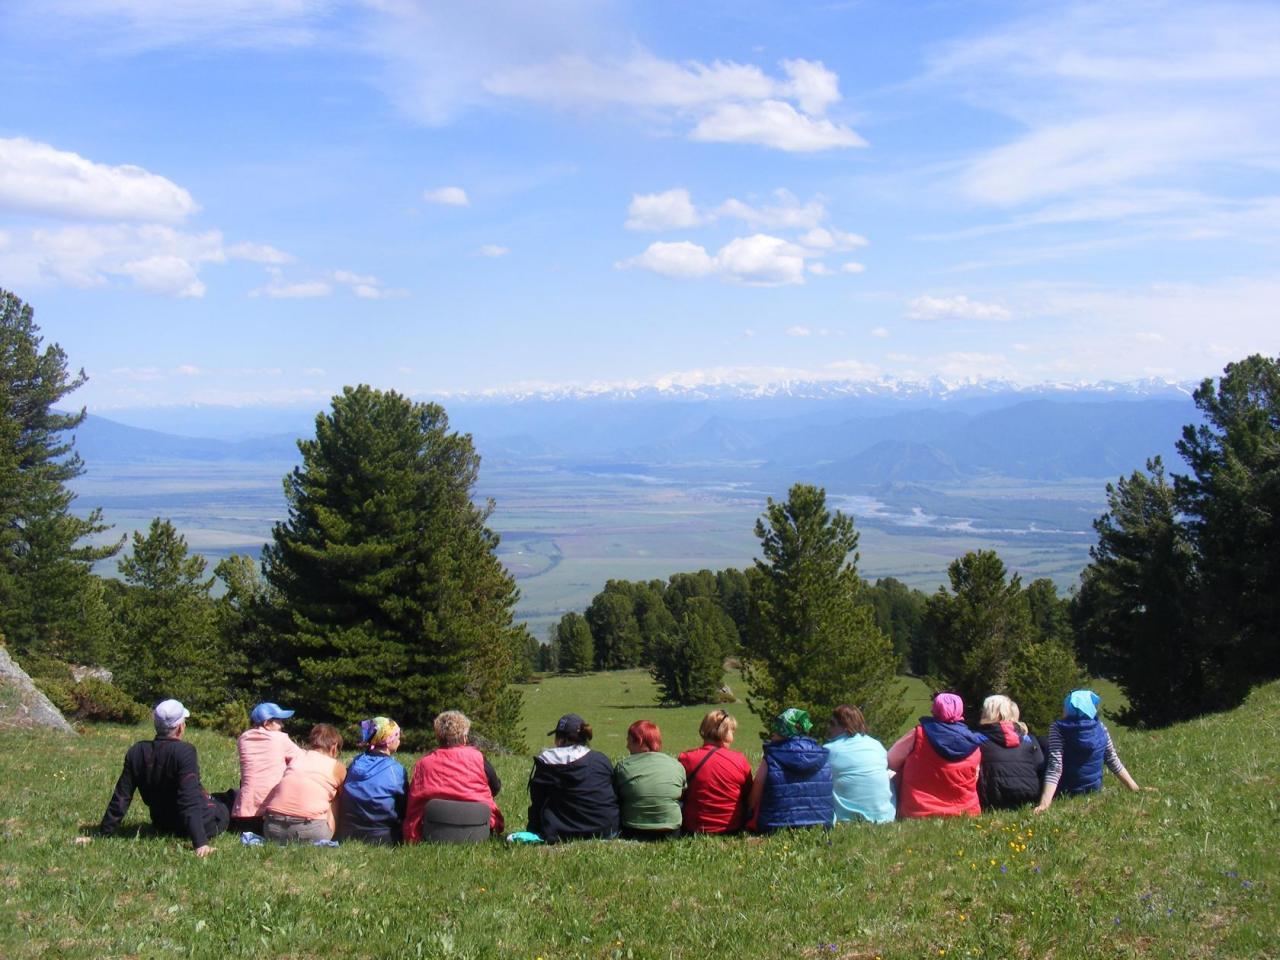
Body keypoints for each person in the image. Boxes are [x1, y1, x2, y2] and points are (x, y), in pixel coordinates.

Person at [99, 699, 230, 857]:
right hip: (201, 824)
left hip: (162, 823)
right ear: (180, 727)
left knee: (217, 797)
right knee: (231, 800)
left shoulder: (137, 751)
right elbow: (188, 799)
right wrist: (200, 843)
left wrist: (103, 832)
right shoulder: (184, 752)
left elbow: (122, 796)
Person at [1034, 689, 1142, 813]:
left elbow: (1055, 766)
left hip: (1066, 790)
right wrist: (1133, 787)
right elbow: (1112, 759)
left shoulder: (1058, 729)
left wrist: (1045, 803)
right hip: (1093, 789)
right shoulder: (1100, 727)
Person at [403, 710, 503, 843]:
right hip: (479, 830)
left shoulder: (423, 764)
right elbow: (495, 787)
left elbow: (414, 799)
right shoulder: (478, 758)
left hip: (433, 832)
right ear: (464, 737)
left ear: (438, 737)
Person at [889, 693, 986, 818]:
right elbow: (975, 777)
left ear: (934, 709)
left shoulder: (918, 734)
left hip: (918, 811)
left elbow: (891, 761)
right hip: (965, 812)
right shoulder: (973, 741)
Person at [526, 713, 619, 843]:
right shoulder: (601, 760)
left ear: (561, 740)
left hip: (562, 833)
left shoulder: (547, 762)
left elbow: (538, 802)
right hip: (606, 830)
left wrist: (533, 829)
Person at [747, 708, 832, 832]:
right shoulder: (822, 755)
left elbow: (755, 794)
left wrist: (748, 811)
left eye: (776, 730)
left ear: (783, 731)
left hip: (774, 825)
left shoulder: (772, 755)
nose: (772, 734)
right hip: (821, 824)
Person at [260, 724, 346, 843]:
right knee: (336, 795)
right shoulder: (336, 767)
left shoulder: (296, 758)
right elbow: (345, 795)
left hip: (272, 829)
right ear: (334, 747)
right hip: (310, 832)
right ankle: (333, 835)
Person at [677, 709, 753, 835]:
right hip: (731, 828)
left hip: (693, 828)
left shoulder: (686, 758)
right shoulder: (740, 760)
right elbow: (748, 794)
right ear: (724, 733)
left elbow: (679, 793)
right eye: (732, 731)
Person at [336, 716, 409, 845]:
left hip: (348, 831)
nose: (399, 739)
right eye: (397, 736)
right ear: (388, 740)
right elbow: (404, 806)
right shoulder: (395, 770)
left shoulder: (356, 763)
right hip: (382, 834)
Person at [231, 701, 301, 833]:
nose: (282, 725)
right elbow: (302, 758)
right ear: (267, 723)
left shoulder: (243, 739)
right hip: (270, 812)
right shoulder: (279, 739)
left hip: (245, 812)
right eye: (278, 721)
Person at [613, 720, 685, 839]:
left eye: (629, 741)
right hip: (671, 830)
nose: (627, 746)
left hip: (634, 829)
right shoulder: (676, 765)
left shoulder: (623, 766)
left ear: (639, 741)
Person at [825, 705, 894, 824]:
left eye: (832, 723)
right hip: (885, 818)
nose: (828, 727)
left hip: (846, 820)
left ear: (845, 727)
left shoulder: (828, 751)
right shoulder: (877, 745)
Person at [975, 695, 1044, 811]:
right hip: (1029, 797)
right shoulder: (1027, 739)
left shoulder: (978, 739)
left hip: (992, 799)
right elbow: (1039, 765)